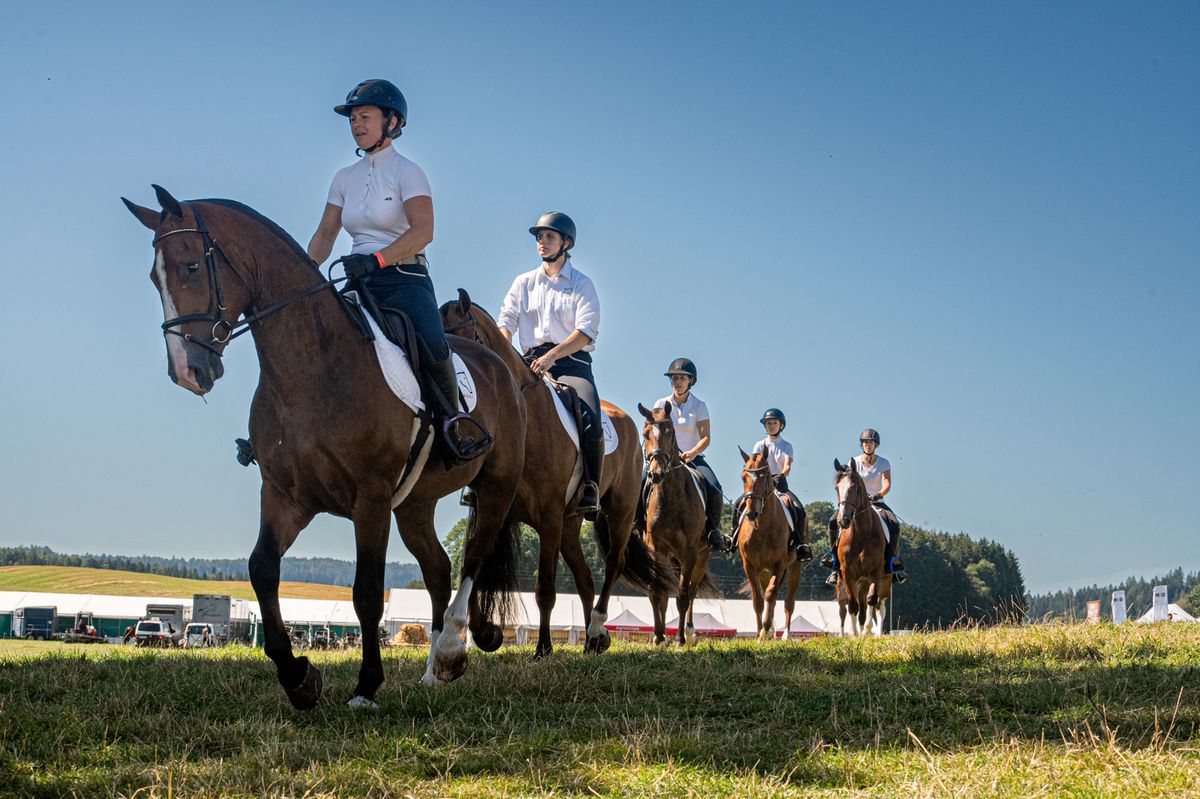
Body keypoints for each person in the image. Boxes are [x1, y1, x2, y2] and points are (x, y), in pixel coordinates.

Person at [307, 79, 490, 463]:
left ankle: (451, 427)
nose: (356, 123)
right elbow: (325, 234)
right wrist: (305, 275)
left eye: (365, 116)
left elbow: (424, 231)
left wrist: (377, 259)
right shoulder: (343, 178)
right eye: (353, 117)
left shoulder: (409, 172)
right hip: (358, 279)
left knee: (432, 341)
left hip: (404, 279)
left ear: (391, 122)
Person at [497, 212, 604, 516]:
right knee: (491, 404)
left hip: (570, 365)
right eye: (539, 237)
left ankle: (591, 487)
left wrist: (552, 356)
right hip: (529, 363)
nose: (541, 243)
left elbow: (585, 332)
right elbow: (506, 323)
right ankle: (478, 480)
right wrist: (502, 355)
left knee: (590, 417)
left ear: (566, 243)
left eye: (549, 237)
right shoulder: (523, 283)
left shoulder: (582, 284)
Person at [638, 358, 727, 551]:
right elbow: (653, 432)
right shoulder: (661, 403)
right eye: (675, 378)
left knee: (714, 486)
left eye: (682, 378)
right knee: (641, 480)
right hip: (662, 458)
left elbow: (705, 437)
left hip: (692, 458)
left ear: (690, 381)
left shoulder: (699, 406)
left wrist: (692, 452)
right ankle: (636, 525)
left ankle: (713, 531)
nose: (678, 381)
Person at [823, 428, 907, 586]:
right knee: (833, 521)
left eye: (871, 442)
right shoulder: (853, 462)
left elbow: (887, 483)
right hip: (856, 504)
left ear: (876, 444)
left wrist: (878, 494)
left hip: (876, 502)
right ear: (861, 444)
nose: (868, 445)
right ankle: (833, 561)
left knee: (894, 523)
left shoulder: (883, 463)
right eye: (865, 442)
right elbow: (847, 483)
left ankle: (892, 561)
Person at [749, 408, 810, 560]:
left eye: (774, 423)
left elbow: (787, 466)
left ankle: (800, 543)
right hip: (761, 483)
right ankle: (733, 536)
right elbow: (754, 464)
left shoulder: (787, 446)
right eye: (768, 423)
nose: (771, 426)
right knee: (742, 503)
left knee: (799, 509)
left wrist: (781, 475)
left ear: (781, 425)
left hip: (780, 483)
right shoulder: (759, 445)